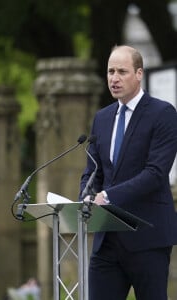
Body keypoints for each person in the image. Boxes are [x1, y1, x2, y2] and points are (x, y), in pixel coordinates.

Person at [79, 45, 177, 300]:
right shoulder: (102, 118)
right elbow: (93, 170)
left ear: (139, 74)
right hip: (107, 241)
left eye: (122, 71)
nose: (114, 78)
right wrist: (86, 196)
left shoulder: (163, 114)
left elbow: (155, 174)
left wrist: (108, 196)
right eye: (110, 71)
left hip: (147, 237)